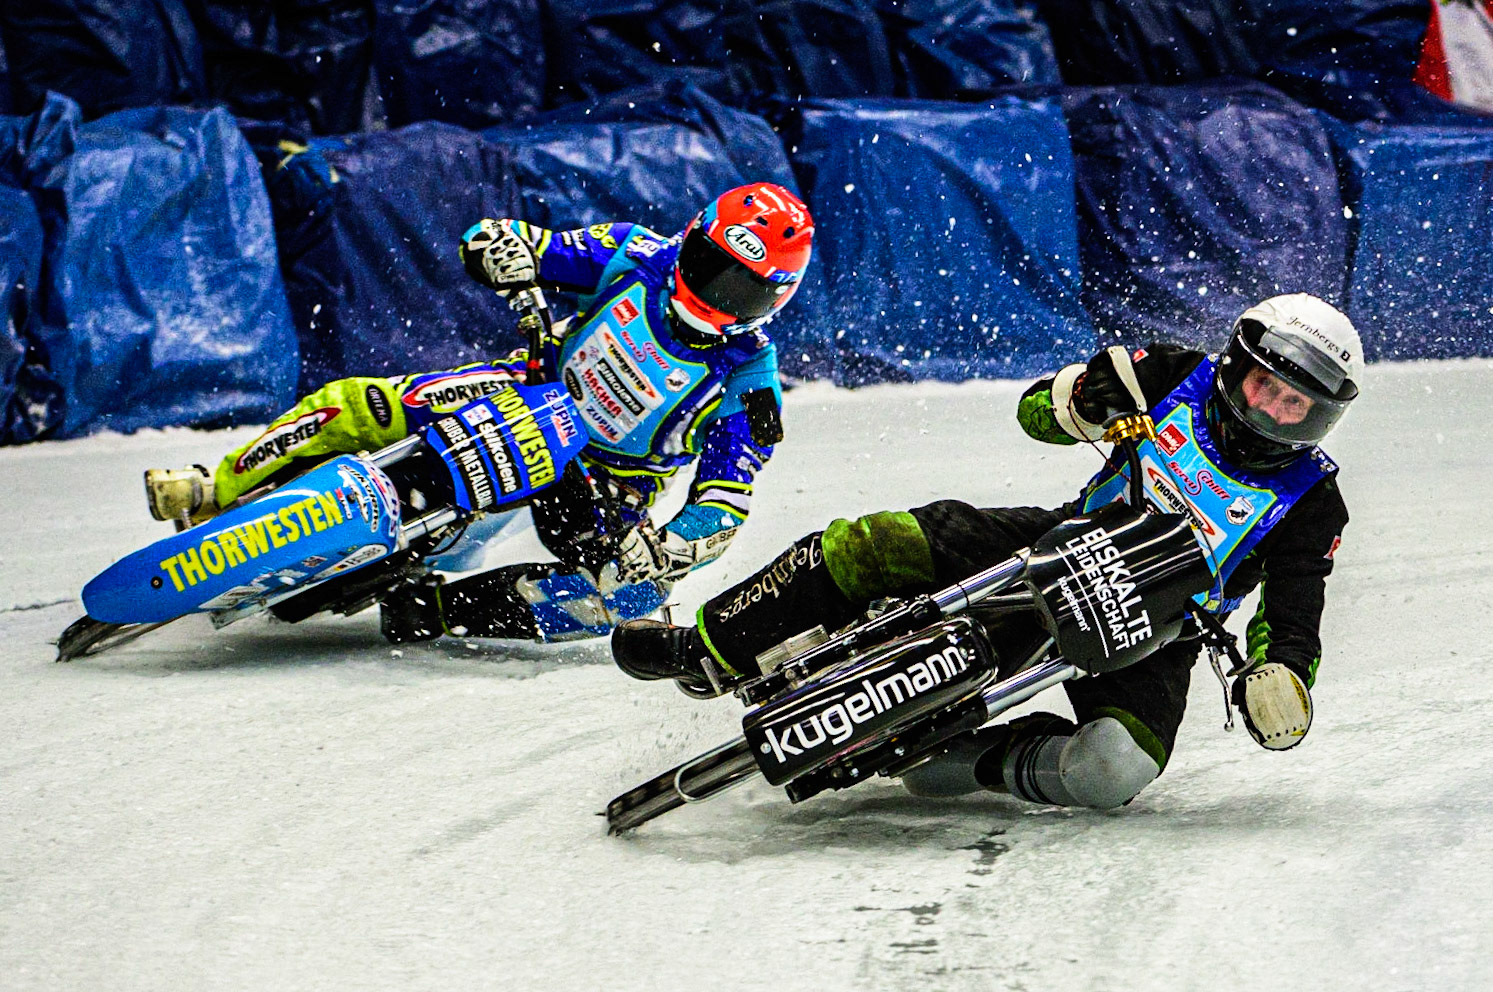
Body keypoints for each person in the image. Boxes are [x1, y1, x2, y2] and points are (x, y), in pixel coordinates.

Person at [612, 293, 1356, 810]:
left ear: (1320, 419)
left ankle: (972, 759)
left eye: (1296, 408)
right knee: (876, 544)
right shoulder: (1168, 374)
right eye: (1265, 389)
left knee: (1112, 768)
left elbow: (1294, 613)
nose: (1271, 415)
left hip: (1153, 634)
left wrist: (1278, 673)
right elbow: (1035, 412)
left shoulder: (1311, 501)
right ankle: (708, 645)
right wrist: (1079, 399)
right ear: (1235, 368)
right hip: (1051, 541)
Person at [143, 182, 815, 643]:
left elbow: (727, 497)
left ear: (773, 301)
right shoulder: (634, 253)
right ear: (692, 237)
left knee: (621, 601)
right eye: (706, 264)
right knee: (362, 402)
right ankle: (215, 488)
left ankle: (432, 612)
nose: (709, 291)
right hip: (525, 392)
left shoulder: (751, 383)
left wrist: (667, 548)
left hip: (607, 487)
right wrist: (502, 251)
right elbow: (518, 241)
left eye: (739, 289)